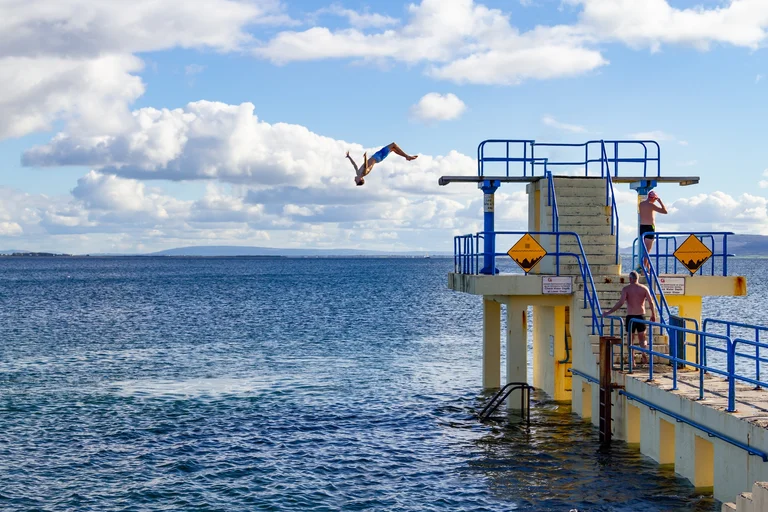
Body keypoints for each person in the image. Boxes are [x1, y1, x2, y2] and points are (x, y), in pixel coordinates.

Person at [602, 271, 657, 364]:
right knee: (642, 338)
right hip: (641, 316)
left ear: (630, 278)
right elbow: (651, 302)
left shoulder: (626, 289)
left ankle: (632, 359)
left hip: (631, 317)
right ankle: (644, 353)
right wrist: (653, 314)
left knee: (630, 339)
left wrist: (609, 312)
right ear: (638, 279)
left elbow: (621, 302)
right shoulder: (644, 288)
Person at [346, 142, 418, 186]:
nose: (354, 180)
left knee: (393, 149)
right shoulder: (364, 173)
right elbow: (366, 166)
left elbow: (354, 164)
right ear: (360, 179)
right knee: (393, 144)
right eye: (356, 181)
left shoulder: (358, 173)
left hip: (377, 156)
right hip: (378, 157)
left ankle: (407, 157)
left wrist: (349, 157)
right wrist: (365, 157)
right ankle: (407, 157)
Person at [637, 190, 668, 271]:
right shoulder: (652, 205)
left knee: (645, 249)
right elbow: (665, 211)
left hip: (642, 227)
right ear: (654, 198)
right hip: (650, 228)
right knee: (648, 250)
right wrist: (660, 202)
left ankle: (648, 268)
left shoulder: (641, 204)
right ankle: (644, 269)